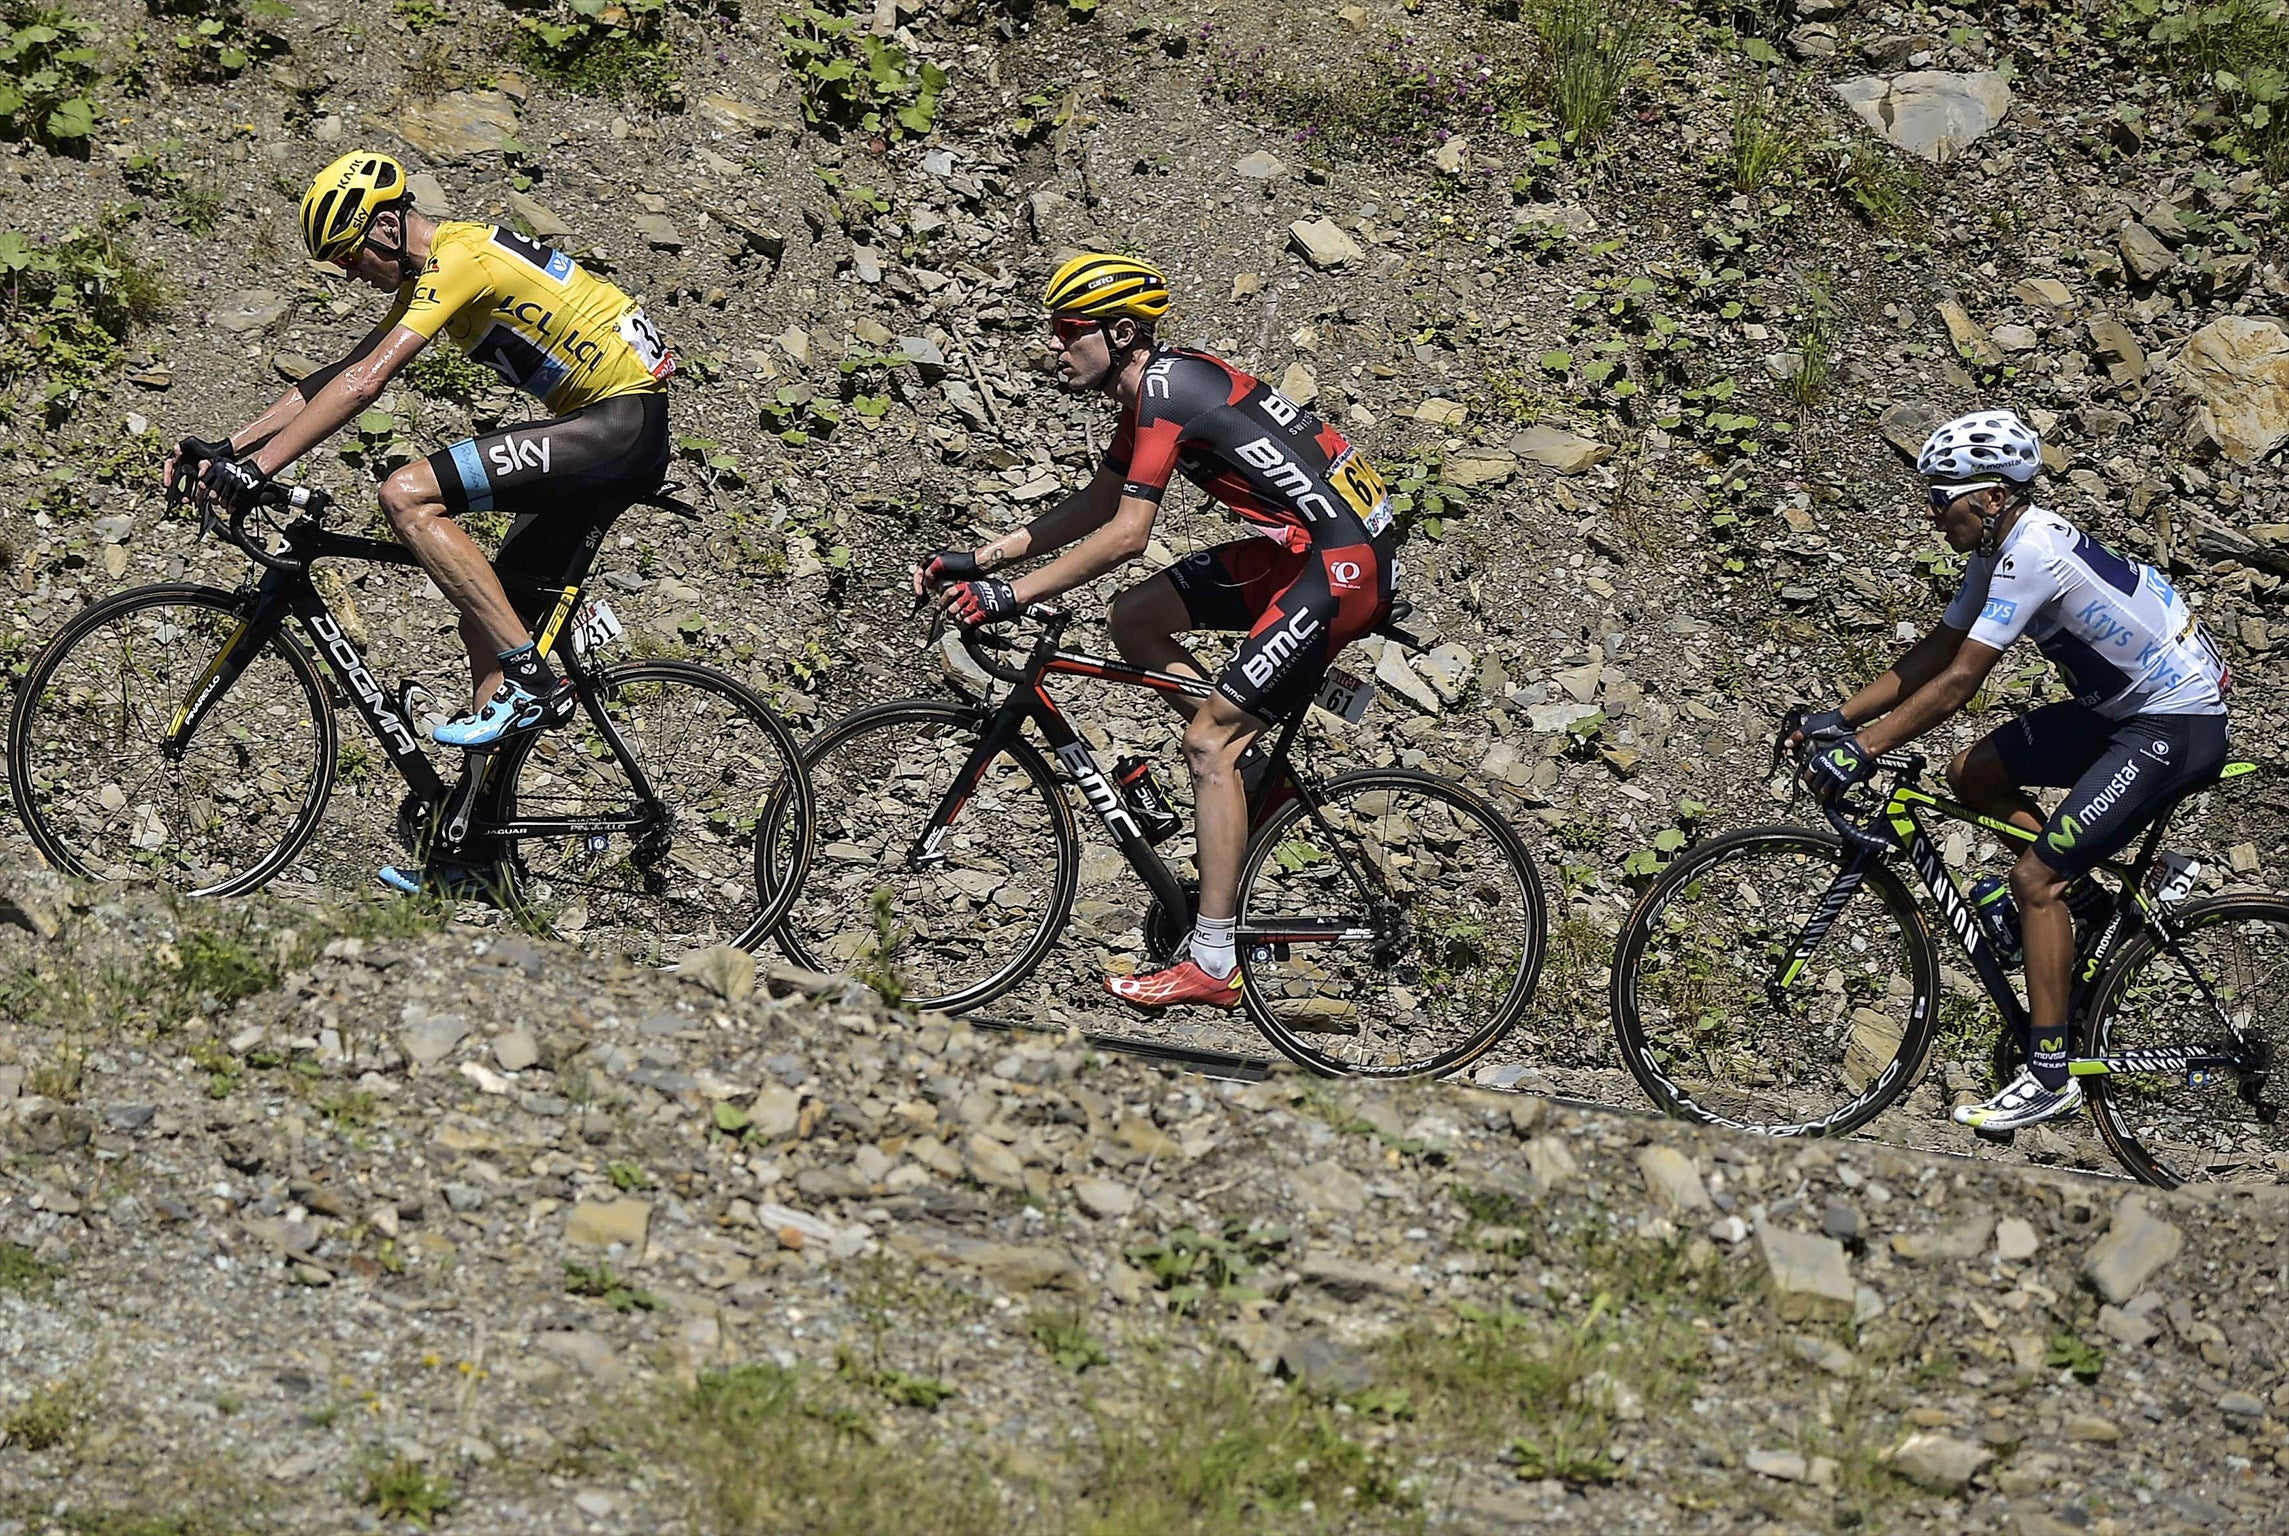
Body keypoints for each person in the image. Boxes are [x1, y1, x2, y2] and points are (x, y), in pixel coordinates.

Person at [164, 151, 676, 893]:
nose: (348, 274)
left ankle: (531, 679)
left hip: (619, 423)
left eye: (347, 256)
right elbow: (339, 372)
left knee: (406, 494)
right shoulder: (442, 267)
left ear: (384, 225)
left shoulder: (459, 257)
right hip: (604, 427)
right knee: (487, 622)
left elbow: (368, 384)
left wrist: (261, 472)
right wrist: (231, 447)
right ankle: (470, 852)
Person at [915, 252, 1398, 1009]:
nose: (1052, 344)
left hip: (1340, 569)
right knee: (1135, 619)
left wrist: (1009, 594)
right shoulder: (1156, 390)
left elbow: (1127, 535)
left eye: (1066, 329)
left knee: (1204, 741)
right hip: (1312, 552)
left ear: (1117, 331)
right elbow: (1098, 500)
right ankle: (1245, 771)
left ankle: (1212, 962)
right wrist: (977, 558)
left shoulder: (1168, 390)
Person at [1795, 409, 2230, 1131]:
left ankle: (2050, 1073)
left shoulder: (2030, 553)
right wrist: (1837, 719)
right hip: (2124, 708)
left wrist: (1863, 750)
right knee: (1971, 773)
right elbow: (1938, 648)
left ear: (1992, 496)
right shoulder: (1994, 547)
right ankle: (2092, 907)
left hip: (2174, 722)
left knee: (2032, 882)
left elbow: (1961, 681)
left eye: (1942, 497)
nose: (1931, 512)